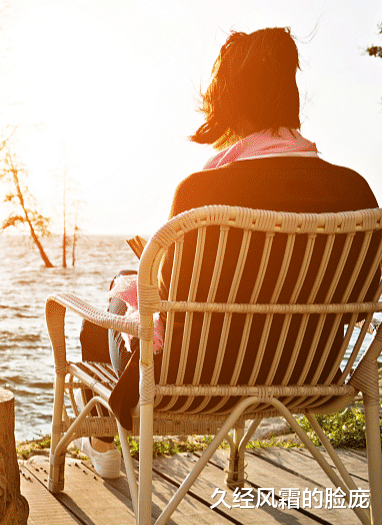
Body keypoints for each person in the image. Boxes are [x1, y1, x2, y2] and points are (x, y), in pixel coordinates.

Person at [76, 26, 379, 479]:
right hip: (308, 376)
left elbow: (172, 307)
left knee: (107, 315)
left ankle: (103, 441)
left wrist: (144, 274)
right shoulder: (356, 192)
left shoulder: (201, 192)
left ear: (229, 103)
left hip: (194, 379)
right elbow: (357, 311)